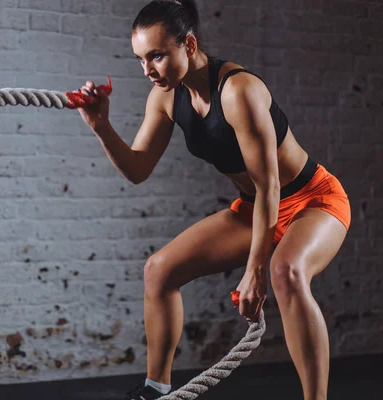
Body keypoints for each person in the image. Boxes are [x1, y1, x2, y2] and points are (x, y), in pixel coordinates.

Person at [74, 1, 351, 399]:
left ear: (188, 44)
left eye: (157, 56)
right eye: (140, 58)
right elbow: (137, 169)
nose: (147, 70)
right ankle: (155, 389)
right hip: (255, 207)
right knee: (159, 271)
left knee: (285, 272)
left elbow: (270, 184)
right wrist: (101, 126)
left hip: (312, 200)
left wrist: (255, 271)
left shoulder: (239, 90)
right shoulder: (166, 97)